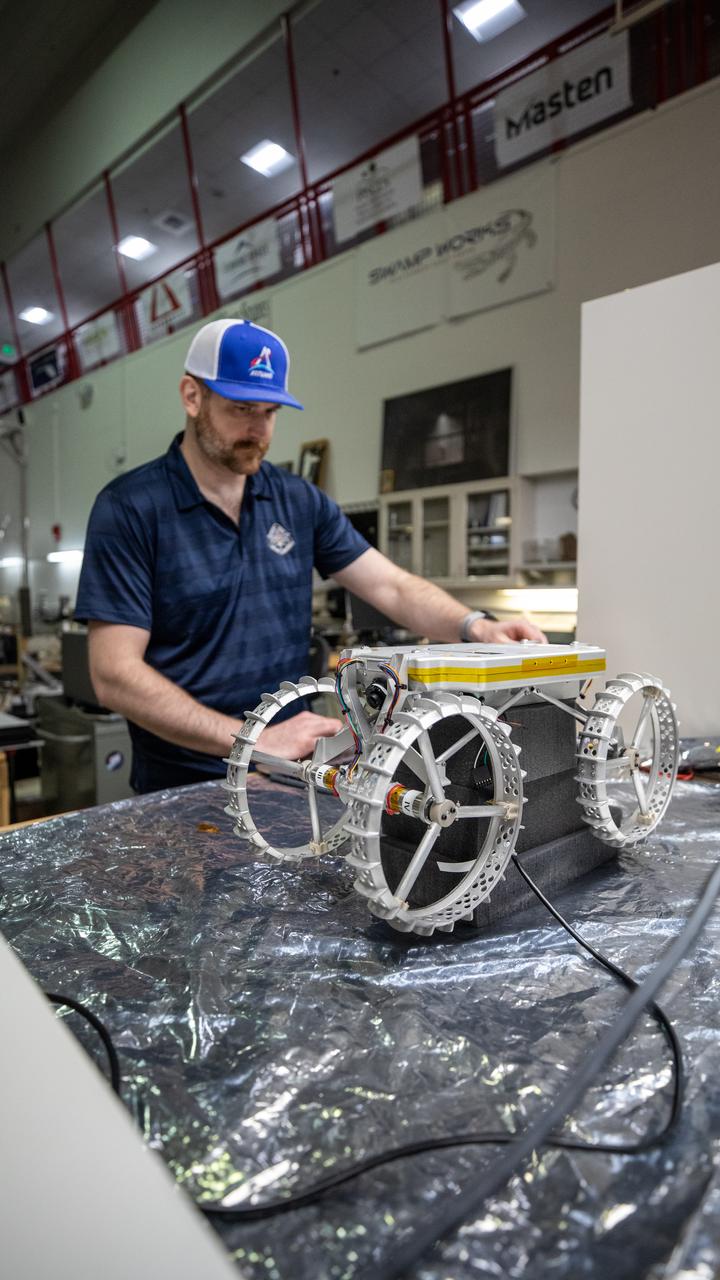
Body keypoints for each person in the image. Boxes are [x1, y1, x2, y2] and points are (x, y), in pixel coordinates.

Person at [76, 319, 546, 793]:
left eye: (270, 412)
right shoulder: (131, 508)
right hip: (183, 787)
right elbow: (114, 674)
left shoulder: (297, 500)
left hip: (290, 776)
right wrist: (254, 739)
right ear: (192, 396)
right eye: (241, 408)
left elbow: (390, 586)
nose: (257, 430)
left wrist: (476, 627)